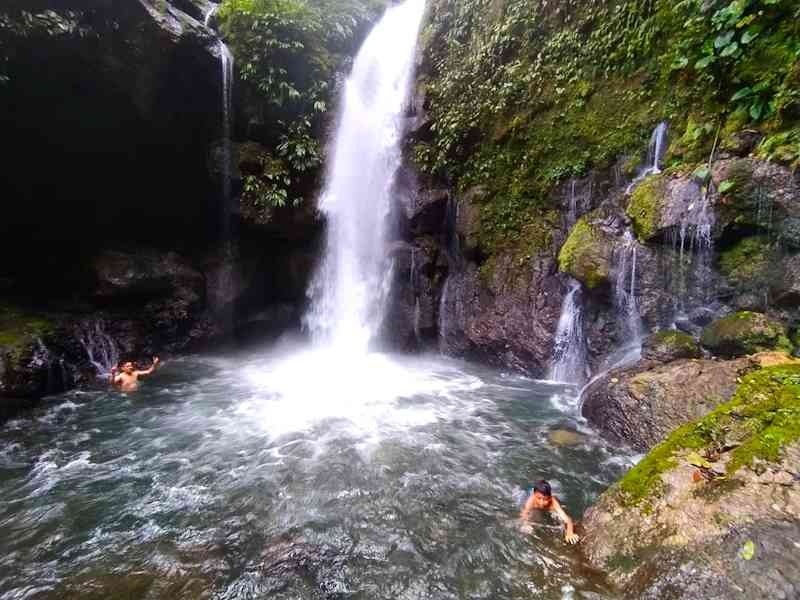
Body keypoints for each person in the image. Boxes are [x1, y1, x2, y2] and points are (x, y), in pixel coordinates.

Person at [520, 479, 580, 544]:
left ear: (550, 497)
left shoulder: (553, 503)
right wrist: (525, 523)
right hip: (528, 494)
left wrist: (569, 532)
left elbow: (568, 520)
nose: (541, 502)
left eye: (545, 499)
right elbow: (524, 513)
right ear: (534, 495)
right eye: (539, 498)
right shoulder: (531, 500)